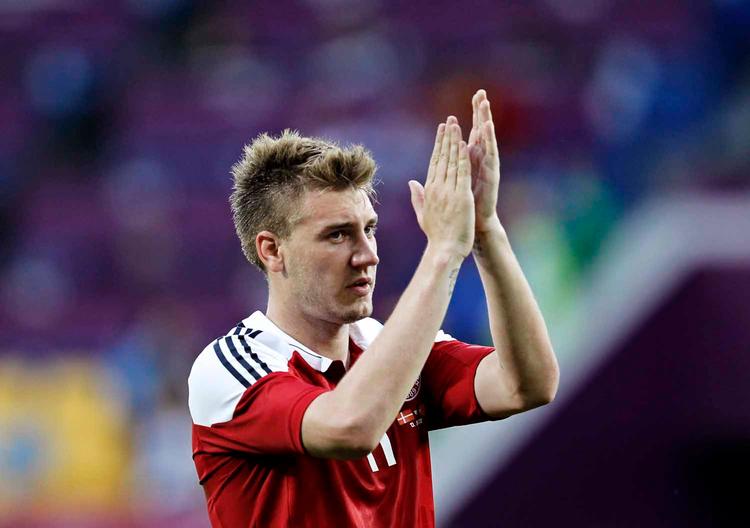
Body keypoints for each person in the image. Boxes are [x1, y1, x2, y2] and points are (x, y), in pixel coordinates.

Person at [188, 89, 559, 527]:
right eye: (338, 235)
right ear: (272, 250)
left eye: (370, 229)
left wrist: (485, 230)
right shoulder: (232, 368)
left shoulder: (385, 345)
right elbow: (350, 427)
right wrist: (442, 251)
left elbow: (527, 384)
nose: (368, 255)